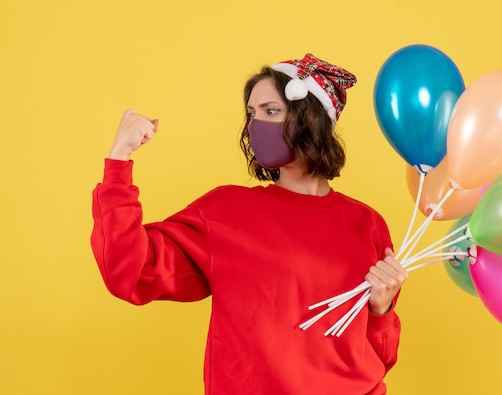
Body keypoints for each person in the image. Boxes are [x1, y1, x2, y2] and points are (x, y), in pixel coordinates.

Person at [91, 53, 408, 394]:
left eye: (271, 111)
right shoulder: (225, 212)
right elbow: (130, 271)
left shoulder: (368, 225)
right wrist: (118, 160)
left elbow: (378, 357)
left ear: (310, 119)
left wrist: (382, 308)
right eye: (252, 114)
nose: (257, 125)